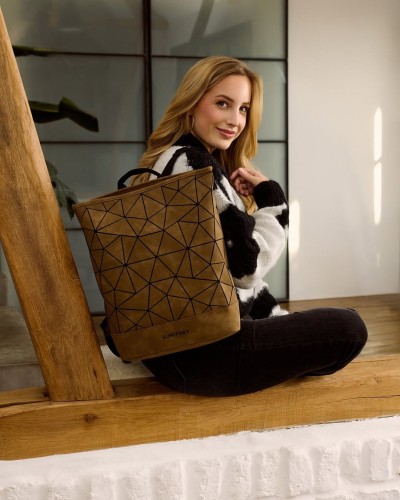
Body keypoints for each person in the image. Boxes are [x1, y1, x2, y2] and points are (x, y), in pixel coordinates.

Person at [106, 55, 368, 396]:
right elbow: (247, 268)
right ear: (191, 104)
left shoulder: (183, 160)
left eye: (243, 108)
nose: (235, 120)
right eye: (222, 104)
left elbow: (234, 281)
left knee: (322, 332)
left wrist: (279, 320)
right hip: (201, 352)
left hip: (186, 346)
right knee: (348, 328)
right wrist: (273, 203)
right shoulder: (191, 163)